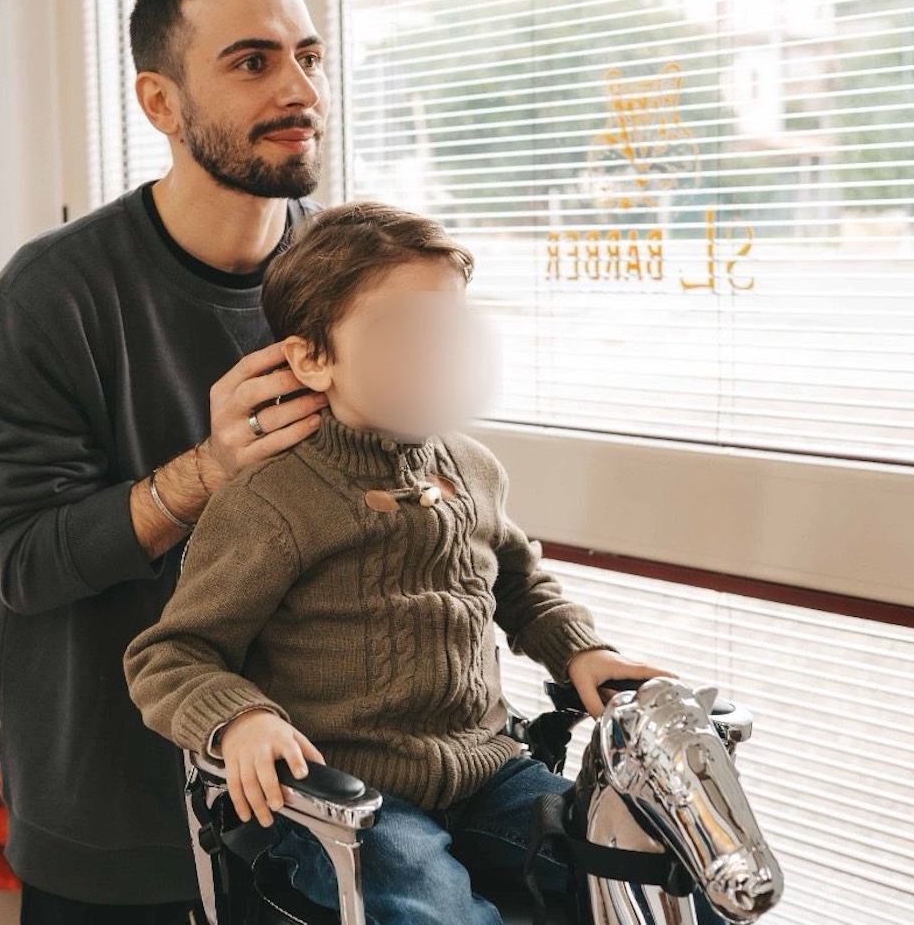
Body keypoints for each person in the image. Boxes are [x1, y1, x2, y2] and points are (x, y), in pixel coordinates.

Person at [124, 202, 673, 925]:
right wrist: (242, 720)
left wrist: (580, 649)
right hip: (352, 798)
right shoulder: (273, 503)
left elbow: (516, 579)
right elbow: (170, 655)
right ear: (311, 357)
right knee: (439, 914)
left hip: (489, 769)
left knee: (634, 870)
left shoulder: (474, 469)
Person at [0, 0, 331, 924]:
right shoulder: (48, 298)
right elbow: (22, 561)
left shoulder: (341, 275)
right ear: (160, 102)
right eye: (250, 62)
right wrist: (211, 469)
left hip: (308, 795)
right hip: (118, 819)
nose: (297, 88)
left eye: (308, 56)